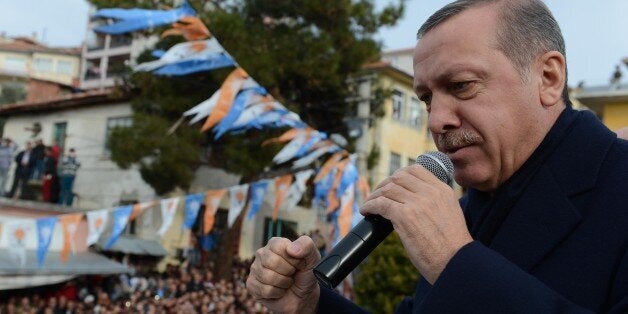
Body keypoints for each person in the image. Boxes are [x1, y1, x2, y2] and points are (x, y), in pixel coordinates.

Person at [246, 1, 628, 313]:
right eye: (426, 99)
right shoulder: (468, 209)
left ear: (548, 78)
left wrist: (456, 262)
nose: (437, 120)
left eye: (461, 86)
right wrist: (313, 305)